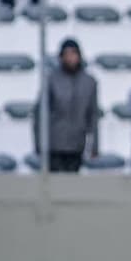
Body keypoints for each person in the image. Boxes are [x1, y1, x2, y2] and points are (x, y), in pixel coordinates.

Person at [34, 38, 99, 173]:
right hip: (54, 145)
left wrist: (94, 146)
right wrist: (39, 144)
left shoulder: (90, 82)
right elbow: (40, 114)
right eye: (66, 54)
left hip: (77, 145)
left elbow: (92, 115)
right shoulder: (51, 80)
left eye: (73, 54)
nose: (70, 58)